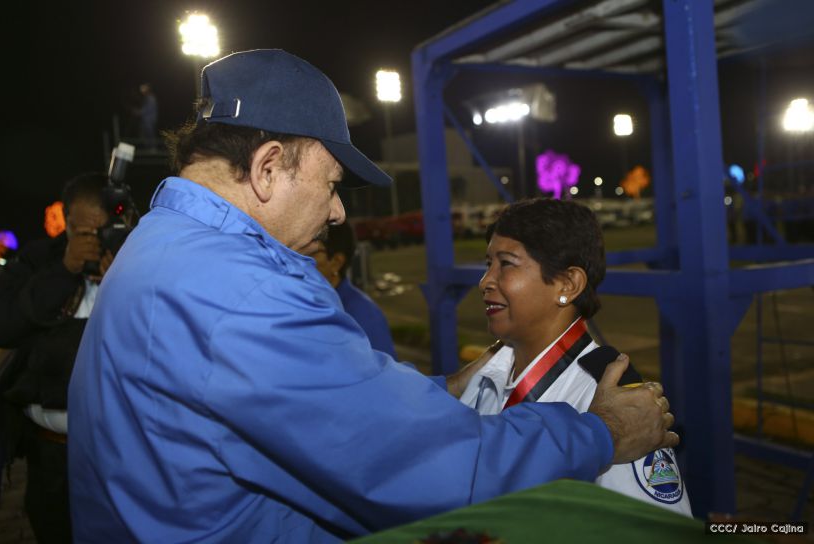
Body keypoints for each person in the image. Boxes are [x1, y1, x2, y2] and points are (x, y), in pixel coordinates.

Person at [68, 49, 678, 543]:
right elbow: (437, 471)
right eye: (332, 182)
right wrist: (600, 433)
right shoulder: (244, 292)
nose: (337, 210)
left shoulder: (160, 243)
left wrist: (429, 396)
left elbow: (296, 412)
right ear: (268, 167)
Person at [460, 197, 692, 516]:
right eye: (488, 264)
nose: (485, 282)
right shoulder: (484, 376)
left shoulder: (616, 406)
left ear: (568, 284)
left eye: (507, 264)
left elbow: (659, 532)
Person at [0, 173, 135, 543]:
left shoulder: (135, 263)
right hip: (48, 456)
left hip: (117, 454)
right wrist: (65, 270)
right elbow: (6, 326)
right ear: (67, 222)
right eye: (82, 231)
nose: (93, 242)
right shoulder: (40, 260)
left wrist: (120, 282)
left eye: (101, 231)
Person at [312, 222, 397, 358]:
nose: (298, 260)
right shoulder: (310, 302)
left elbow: (382, 375)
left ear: (336, 262)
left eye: (310, 253)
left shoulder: (363, 316)